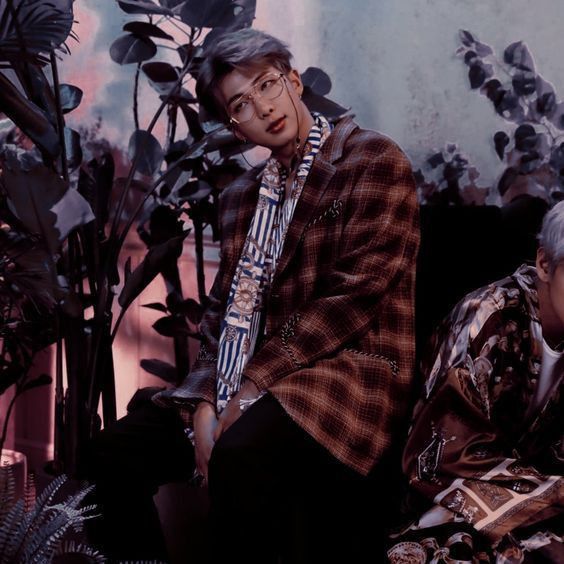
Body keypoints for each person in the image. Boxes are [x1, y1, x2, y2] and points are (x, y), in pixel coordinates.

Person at [87, 27, 419, 564]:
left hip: (345, 371)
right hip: (247, 376)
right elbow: (223, 312)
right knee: (108, 455)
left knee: (239, 453)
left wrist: (246, 392)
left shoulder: (371, 159)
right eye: (241, 104)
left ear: (293, 81)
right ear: (235, 128)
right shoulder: (242, 197)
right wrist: (205, 401)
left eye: (266, 84)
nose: (263, 107)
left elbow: (352, 299)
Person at [387, 202, 564, 563]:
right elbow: (439, 458)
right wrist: (552, 493)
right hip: (449, 506)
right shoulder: (487, 316)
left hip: (542, 507)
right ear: (545, 264)